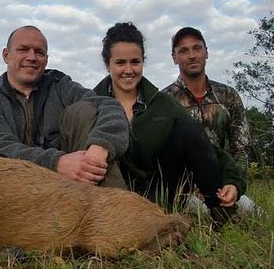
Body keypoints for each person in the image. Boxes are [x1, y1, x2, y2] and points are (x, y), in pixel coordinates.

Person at [93, 22, 246, 214]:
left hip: (160, 197)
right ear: (108, 65)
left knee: (187, 129)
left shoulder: (163, 103)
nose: (129, 70)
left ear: (143, 62)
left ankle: (221, 214)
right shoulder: (91, 105)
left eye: (135, 62)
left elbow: (200, 142)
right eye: (120, 62)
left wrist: (233, 181)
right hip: (111, 202)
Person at [0, 25, 129, 189]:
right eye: (23, 49)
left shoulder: (59, 84)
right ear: (6, 55)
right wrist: (57, 163)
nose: (32, 57)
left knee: (86, 111)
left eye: (39, 52)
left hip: (69, 184)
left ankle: (119, 209)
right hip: (12, 189)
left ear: (46, 59)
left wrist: (100, 147)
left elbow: (109, 106)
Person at [163, 27, 259, 214]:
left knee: (258, 218)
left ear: (206, 52)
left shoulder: (228, 96)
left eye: (197, 48)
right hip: (183, 194)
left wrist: (233, 184)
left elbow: (241, 147)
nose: (192, 55)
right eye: (183, 51)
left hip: (222, 187)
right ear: (174, 57)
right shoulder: (164, 101)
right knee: (203, 220)